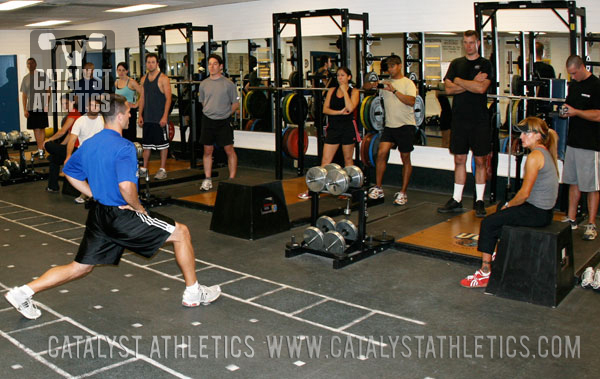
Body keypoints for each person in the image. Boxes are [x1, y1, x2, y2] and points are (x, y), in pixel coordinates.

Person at [3, 94, 221, 320]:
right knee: (182, 232)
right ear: (118, 116)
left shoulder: (91, 143)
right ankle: (194, 292)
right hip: (120, 214)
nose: (130, 115)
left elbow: (68, 170)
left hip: (99, 215)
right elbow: (126, 187)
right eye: (128, 112)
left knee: (80, 267)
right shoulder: (124, 147)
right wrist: (138, 208)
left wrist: (94, 194)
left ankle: (24, 292)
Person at [461, 117, 559, 288]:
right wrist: (506, 207)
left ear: (537, 135)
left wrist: (509, 206)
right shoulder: (544, 152)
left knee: (489, 223)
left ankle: (485, 273)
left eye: (526, 133)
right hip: (544, 211)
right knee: (501, 208)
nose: (521, 137)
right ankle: (498, 252)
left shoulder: (535, 157)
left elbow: (524, 194)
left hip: (537, 213)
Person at [437, 30, 493, 218]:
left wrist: (459, 82)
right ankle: (457, 199)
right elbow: (448, 89)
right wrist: (468, 83)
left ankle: (479, 201)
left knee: (480, 161)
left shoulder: (486, 64)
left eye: (471, 42)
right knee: (459, 160)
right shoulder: (456, 64)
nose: (468, 45)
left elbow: (481, 88)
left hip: (479, 121)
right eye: (465, 42)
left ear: (477, 43)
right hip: (459, 120)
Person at [298, 67, 360, 200]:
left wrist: (344, 90)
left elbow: (350, 108)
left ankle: (347, 190)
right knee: (325, 161)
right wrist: (338, 112)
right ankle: (314, 190)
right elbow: (325, 109)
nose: (340, 78)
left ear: (349, 77)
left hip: (347, 128)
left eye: (343, 75)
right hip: (334, 128)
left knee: (348, 160)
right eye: (338, 75)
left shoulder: (354, 91)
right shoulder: (331, 90)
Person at [364, 55, 417, 206]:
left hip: (406, 126)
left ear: (399, 66)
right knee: (381, 153)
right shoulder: (384, 83)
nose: (391, 69)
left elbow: (411, 101)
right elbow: (366, 87)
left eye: (393, 66)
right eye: (388, 67)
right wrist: (373, 83)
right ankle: (378, 187)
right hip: (389, 126)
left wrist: (393, 91)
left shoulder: (408, 83)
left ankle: (403, 193)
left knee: (405, 158)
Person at [560, 55, 600, 240]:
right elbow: (570, 106)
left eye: (574, 73)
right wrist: (565, 111)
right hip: (573, 142)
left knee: (591, 186)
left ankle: (591, 224)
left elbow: (599, 115)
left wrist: (576, 112)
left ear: (582, 67)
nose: (573, 77)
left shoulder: (596, 86)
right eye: (570, 74)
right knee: (573, 182)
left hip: (591, 144)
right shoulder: (574, 85)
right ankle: (571, 219)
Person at [198, 54, 239, 191]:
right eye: (210, 64)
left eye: (215, 64)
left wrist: (226, 114)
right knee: (207, 150)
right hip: (208, 120)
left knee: (229, 150)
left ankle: (232, 179)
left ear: (221, 66)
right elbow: (203, 102)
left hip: (223, 121)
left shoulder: (228, 84)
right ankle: (207, 179)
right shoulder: (203, 84)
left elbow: (235, 103)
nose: (212, 66)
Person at [64, 96, 105, 203]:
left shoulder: (102, 120)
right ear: (87, 107)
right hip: (84, 152)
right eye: (91, 105)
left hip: (99, 151)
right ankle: (86, 194)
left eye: (96, 106)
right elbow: (72, 140)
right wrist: (68, 156)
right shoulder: (80, 121)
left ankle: (97, 194)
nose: (94, 108)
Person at [138, 53, 172, 180]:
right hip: (147, 117)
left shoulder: (163, 78)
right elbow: (142, 98)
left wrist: (164, 116)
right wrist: (140, 115)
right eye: (148, 62)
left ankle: (162, 169)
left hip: (159, 118)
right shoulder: (143, 79)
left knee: (163, 145)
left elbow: (168, 99)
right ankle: (144, 169)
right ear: (146, 64)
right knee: (146, 145)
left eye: (153, 62)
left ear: (157, 63)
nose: (150, 64)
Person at [44, 94, 81, 192]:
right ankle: (53, 186)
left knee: (48, 145)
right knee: (54, 158)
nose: (64, 106)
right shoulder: (71, 114)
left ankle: (53, 186)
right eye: (62, 104)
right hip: (71, 148)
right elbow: (69, 135)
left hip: (77, 149)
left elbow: (62, 132)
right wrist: (59, 147)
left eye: (66, 103)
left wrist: (49, 140)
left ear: (73, 102)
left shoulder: (74, 113)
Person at [20, 57, 50, 158]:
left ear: (35, 64)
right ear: (27, 65)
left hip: (41, 106)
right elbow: (24, 95)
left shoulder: (42, 76)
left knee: (41, 128)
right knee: (36, 129)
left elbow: (48, 91)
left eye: (32, 63)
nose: (30, 65)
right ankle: (40, 149)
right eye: (28, 64)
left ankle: (41, 150)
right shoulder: (25, 78)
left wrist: (46, 105)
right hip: (31, 108)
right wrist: (25, 109)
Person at [115, 62, 143, 142]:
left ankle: (131, 153)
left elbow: (143, 93)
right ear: (117, 71)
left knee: (130, 135)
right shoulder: (116, 82)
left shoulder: (131, 82)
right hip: (119, 112)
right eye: (119, 70)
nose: (121, 72)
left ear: (127, 71)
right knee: (121, 135)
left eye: (123, 70)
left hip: (129, 111)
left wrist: (135, 105)